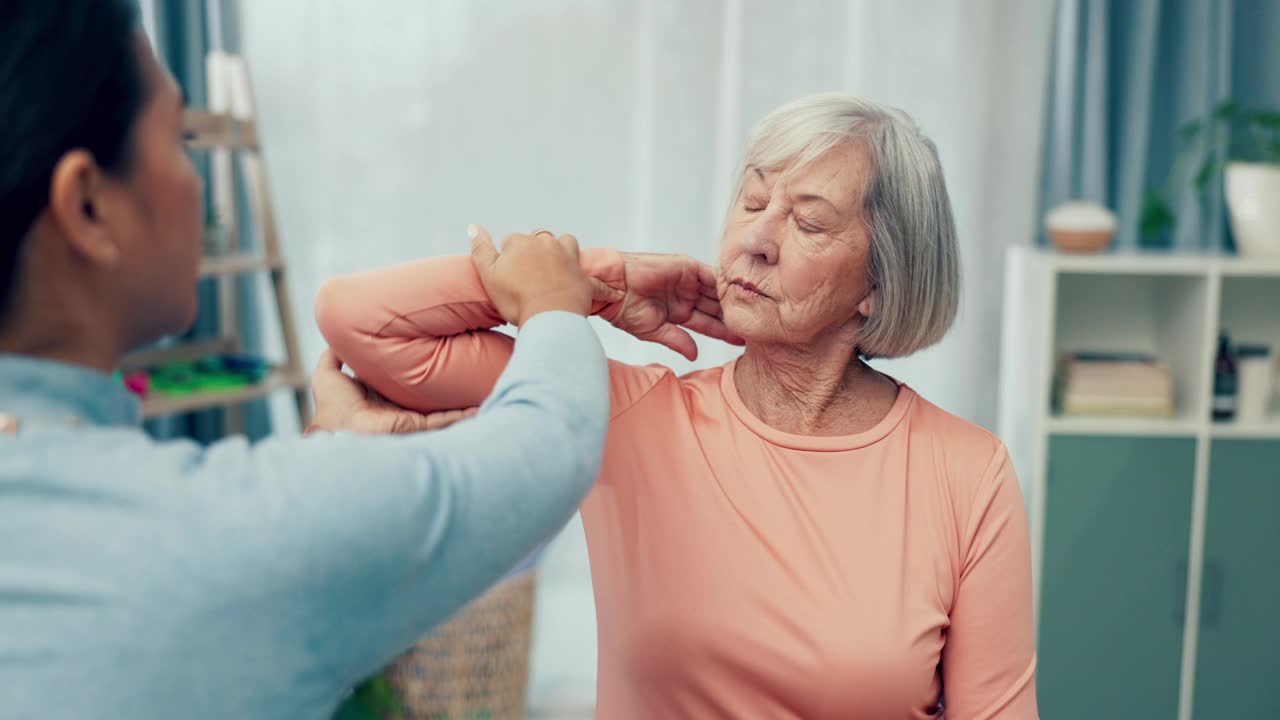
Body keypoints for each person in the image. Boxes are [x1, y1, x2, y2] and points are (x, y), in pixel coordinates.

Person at [319, 93, 1039, 718]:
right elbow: (361, 319)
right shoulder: (622, 415)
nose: (755, 240)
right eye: (753, 202)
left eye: (808, 223)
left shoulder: (965, 474)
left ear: (880, 284)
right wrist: (595, 282)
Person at [0, 2, 619, 718]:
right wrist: (552, 303)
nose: (200, 184)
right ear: (87, 208)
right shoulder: (214, 537)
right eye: (178, 141)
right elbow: (547, 450)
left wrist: (331, 458)